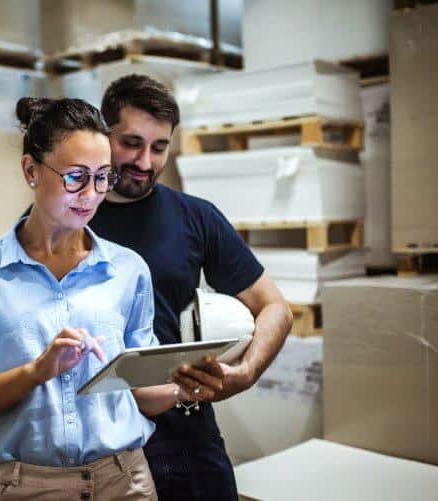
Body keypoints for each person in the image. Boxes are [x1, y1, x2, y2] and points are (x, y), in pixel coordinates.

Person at [0, 98, 196, 501]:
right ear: (31, 170)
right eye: (75, 176)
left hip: (123, 482)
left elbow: (141, 391)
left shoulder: (128, 270)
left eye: (103, 177)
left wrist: (185, 386)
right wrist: (35, 372)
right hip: (17, 487)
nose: (91, 194)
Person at [88, 75, 295, 500]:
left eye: (159, 147)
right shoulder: (66, 219)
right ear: (102, 133)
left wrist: (246, 372)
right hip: (92, 443)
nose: (145, 161)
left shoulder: (195, 217)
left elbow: (274, 307)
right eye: (131, 143)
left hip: (183, 435)